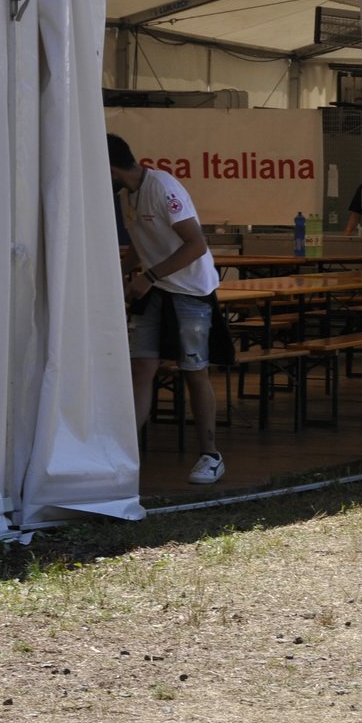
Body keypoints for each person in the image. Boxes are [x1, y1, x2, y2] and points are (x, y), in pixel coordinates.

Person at [108, 133, 226, 486]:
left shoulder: (161, 187)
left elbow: (196, 244)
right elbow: (141, 246)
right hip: (156, 289)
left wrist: (149, 276)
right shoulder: (127, 195)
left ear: (111, 168)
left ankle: (211, 455)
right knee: (142, 366)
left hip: (190, 292)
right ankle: (123, 454)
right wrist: (120, 274)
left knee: (194, 370)